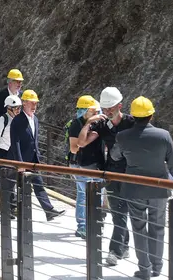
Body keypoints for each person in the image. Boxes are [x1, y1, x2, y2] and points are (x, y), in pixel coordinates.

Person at [116, 96, 173, 280]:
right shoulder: (163, 135)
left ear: (133, 116)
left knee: (138, 227)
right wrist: (172, 182)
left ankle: (144, 269)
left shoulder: (122, 136)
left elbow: (115, 155)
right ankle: (157, 267)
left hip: (134, 188)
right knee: (157, 226)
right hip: (159, 188)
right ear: (151, 115)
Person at [87, 87, 135, 265]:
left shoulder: (132, 123)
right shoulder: (102, 124)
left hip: (130, 175)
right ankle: (120, 249)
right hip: (111, 175)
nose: (107, 112)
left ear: (120, 105)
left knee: (120, 212)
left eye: (111, 109)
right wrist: (87, 121)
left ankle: (119, 249)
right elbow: (82, 142)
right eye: (105, 109)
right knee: (118, 213)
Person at [8, 89, 65, 221]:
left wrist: (37, 155)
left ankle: (49, 211)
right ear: (24, 103)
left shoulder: (36, 119)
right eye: (31, 103)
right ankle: (10, 209)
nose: (34, 106)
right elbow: (15, 142)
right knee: (13, 185)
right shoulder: (18, 120)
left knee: (38, 185)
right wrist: (19, 162)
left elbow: (35, 140)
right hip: (20, 160)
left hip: (33, 159)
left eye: (36, 103)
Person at [69, 95, 107, 239]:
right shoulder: (76, 124)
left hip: (96, 165)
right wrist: (88, 129)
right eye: (93, 112)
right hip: (81, 164)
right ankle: (84, 226)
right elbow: (75, 147)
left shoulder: (98, 123)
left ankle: (91, 224)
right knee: (85, 195)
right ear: (85, 111)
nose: (97, 114)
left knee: (90, 195)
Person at [0, 95, 22, 198]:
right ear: (8, 108)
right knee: (7, 176)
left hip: (13, 150)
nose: (18, 110)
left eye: (19, 108)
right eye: (16, 108)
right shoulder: (3, 120)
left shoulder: (18, 119)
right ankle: (10, 199)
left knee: (10, 176)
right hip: (3, 151)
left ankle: (2, 198)